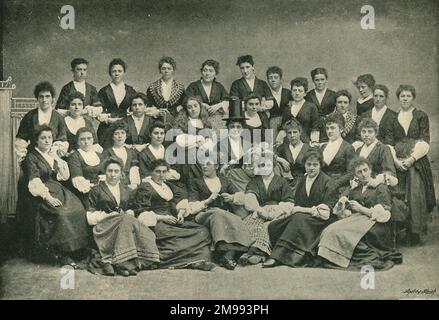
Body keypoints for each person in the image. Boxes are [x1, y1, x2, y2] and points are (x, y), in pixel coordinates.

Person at [18, 126, 89, 267]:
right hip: (40, 194)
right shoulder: (31, 158)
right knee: (61, 214)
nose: (47, 141)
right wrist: (47, 197)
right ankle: (61, 252)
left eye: (49, 138)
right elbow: (34, 181)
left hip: (57, 189)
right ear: (36, 140)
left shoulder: (52, 155)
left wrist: (57, 158)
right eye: (43, 138)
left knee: (78, 209)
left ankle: (76, 249)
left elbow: (61, 177)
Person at [318, 157, 403, 270]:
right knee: (330, 229)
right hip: (358, 219)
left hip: (375, 223)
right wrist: (342, 205)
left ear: (370, 170)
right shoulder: (356, 188)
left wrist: (361, 208)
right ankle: (331, 257)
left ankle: (341, 257)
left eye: (365, 170)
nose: (363, 174)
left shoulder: (380, 187)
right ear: (355, 175)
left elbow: (384, 215)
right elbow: (345, 211)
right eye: (359, 172)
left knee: (343, 233)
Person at [131, 159, 214, 270]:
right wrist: (163, 218)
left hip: (172, 221)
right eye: (157, 171)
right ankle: (187, 261)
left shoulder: (167, 186)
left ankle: (195, 260)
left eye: (164, 172)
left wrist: (180, 212)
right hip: (156, 223)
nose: (161, 175)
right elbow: (141, 212)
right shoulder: (146, 187)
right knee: (177, 236)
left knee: (203, 231)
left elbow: (177, 203)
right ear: (151, 172)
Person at [86, 158, 160, 276]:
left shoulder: (126, 190)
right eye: (110, 171)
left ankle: (122, 262)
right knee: (125, 220)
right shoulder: (96, 190)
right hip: (104, 227)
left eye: (116, 171)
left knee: (131, 222)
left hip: (122, 225)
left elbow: (132, 208)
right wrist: (108, 215)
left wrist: (130, 211)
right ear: (105, 172)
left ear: (121, 173)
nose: (113, 174)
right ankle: (123, 264)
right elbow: (90, 215)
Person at [264, 149, 337, 268]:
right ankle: (283, 254)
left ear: (320, 165)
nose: (311, 168)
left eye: (315, 165)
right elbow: (297, 203)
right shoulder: (303, 180)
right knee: (274, 225)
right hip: (305, 216)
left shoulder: (328, 182)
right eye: (308, 164)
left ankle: (277, 256)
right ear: (304, 165)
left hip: (321, 220)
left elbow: (326, 213)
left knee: (297, 219)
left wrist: (300, 210)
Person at [389, 84, 436, 244]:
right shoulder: (393, 117)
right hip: (398, 161)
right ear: (398, 98)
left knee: (415, 194)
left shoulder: (421, 116)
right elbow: (389, 142)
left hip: (416, 161)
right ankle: (401, 231)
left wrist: (411, 159)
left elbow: (425, 141)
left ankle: (414, 232)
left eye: (408, 96)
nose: (405, 99)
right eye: (402, 96)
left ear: (413, 98)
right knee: (398, 195)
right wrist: (396, 161)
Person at [188, 160, 253, 270]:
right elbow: (192, 206)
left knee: (236, 218)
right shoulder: (196, 182)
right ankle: (224, 251)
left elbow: (241, 195)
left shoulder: (225, 181)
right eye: (202, 164)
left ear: (216, 166)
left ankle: (228, 255)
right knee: (218, 213)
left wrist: (231, 198)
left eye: (208, 164)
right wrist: (208, 201)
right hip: (203, 214)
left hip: (223, 213)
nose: (204, 166)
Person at [15, 81, 68, 161]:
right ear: (37, 98)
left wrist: (53, 154)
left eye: (47, 96)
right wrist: (23, 158)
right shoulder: (30, 116)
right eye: (41, 97)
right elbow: (21, 139)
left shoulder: (58, 117)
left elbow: (62, 140)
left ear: (52, 99)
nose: (44, 100)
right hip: (32, 158)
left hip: (53, 158)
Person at [97, 58, 137, 148]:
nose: (117, 73)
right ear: (110, 73)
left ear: (124, 72)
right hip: (107, 127)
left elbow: (134, 110)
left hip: (125, 126)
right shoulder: (104, 91)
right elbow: (99, 110)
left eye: (119, 71)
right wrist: (108, 119)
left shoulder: (130, 90)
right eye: (114, 71)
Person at [186, 59, 229, 132]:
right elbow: (186, 99)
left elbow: (227, 100)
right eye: (205, 70)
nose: (207, 73)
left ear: (215, 73)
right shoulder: (193, 86)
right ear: (201, 72)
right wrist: (201, 104)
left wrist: (218, 106)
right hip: (198, 118)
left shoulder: (219, 87)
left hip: (216, 119)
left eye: (210, 71)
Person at [320, 112, 355, 194]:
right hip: (322, 185)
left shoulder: (348, 148)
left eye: (333, 128)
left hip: (340, 188)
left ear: (341, 129)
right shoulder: (323, 147)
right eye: (327, 128)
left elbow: (351, 173)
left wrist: (336, 183)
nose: (329, 131)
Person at [278, 77, 320, 145]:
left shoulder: (311, 107)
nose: (297, 93)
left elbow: (315, 128)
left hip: (305, 143)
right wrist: (278, 141)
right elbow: (283, 128)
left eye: (300, 91)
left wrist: (314, 142)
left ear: (305, 93)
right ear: (291, 92)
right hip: (288, 143)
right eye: (294, 90)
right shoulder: (287, 107)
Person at [67, 127, 104, 203]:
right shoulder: (74, 156)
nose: (86, 142)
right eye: (82, 139)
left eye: (89, 138)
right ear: (78, 142)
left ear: (93, 140)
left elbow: (105, 174)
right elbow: (77, 180)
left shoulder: (99, 155)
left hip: (101, 191)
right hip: (84, 193)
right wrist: (94, 189)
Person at [145, 56, 186, 125]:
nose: (166, 71)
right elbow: (148, 106)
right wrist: (157, 112)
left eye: (169, 68)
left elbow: (184, 105)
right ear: (160, 70)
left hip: (176, 120)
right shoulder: (152, 88)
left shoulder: (180, 88)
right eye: (163, 68)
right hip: (157, 120)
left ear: (173, 70)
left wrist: (176, 111)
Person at [101, 121, 140, 188]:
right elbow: (104, 172)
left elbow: (134, 170)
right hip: (113, 185)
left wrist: (134, 184)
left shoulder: (131, 152)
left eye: (122, 133)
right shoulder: (107, 152)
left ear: (126, 135)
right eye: (116, 134)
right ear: (112, 136)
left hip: (129, 185)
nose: (120, 136)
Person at [275, 119, 310, 191]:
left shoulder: (308, 148)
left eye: (295, 132)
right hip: (286, 183)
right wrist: (280, 159)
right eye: (289, 133)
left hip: (303, 184)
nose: (292, 135)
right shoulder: (283, 148)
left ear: (300, 132)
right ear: (286, 134)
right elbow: (267, 155)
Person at [305, 68, 337, 142]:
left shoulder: (333, 95)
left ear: (326, 80)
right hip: (312, 128)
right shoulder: (308, 95)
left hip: (329, 127)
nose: (320, 82)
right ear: (313, 81)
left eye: (322, 79)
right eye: (317, 80)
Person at [266, 66, 292, 140]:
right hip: (271, 125)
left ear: (281, 79)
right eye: (270, 78)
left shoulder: (289, 93)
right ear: (267, 80)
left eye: (275, 77)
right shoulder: (265, 94)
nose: (273, 80)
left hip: (287, 123)